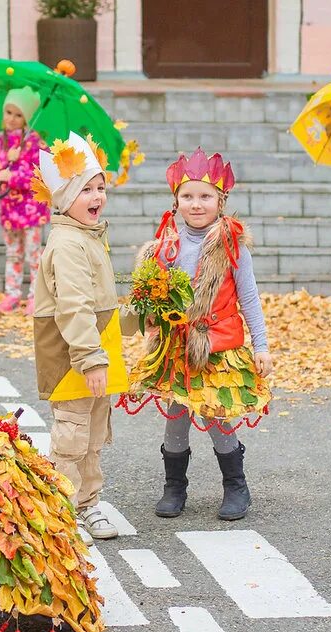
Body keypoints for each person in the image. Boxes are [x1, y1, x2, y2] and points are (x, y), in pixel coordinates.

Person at [125, 148, 273, 521]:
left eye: (205, 196)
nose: (196, 204)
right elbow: (155, 297)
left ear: (220, 201)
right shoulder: (166, 246)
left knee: (216, 416)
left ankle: (236, 485)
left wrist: (262, 346)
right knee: (175, 417)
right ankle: (174, 487)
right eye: (188, 196)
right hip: (177, 346)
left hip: (215, 345)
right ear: (175, 201)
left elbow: (249, 298)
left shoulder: (232, 245)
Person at [30, 131, 132, 544]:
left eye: (100, 187)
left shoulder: (88, 237)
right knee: (71, 437)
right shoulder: (68, 244)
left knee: (92, 437)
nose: (97, 196)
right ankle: (63, 510)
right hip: (76, 358)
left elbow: (100, 305)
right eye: (85, 189)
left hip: (94, 354)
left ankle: (88, 503)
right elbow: (74, 307)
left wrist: (138, 317)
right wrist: (91, 359)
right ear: (63, 198)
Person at [0, 87, 49, 315]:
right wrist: (3, 163)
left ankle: (36, 296)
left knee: (34, 253)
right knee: (13, 252)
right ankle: (12, 293)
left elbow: (41, 173)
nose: (11, 118)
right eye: (8, 112)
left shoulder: (36, 143)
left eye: (18, 115)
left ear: (27, 119)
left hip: (32, 211)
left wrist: (15, 176)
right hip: (9, 211)